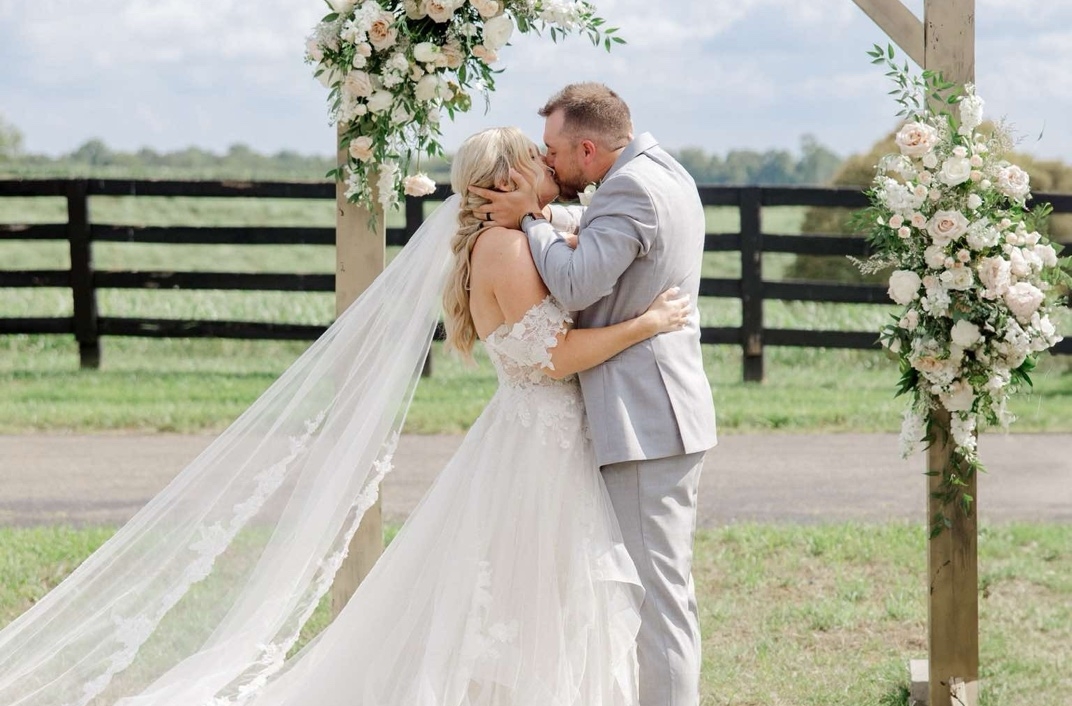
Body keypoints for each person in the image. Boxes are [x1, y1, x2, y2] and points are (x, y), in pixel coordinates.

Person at [0, 126, 692, 706]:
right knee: (530, 599)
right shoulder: (506, 248)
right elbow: (557, 357)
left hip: (542, 439)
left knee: (533, 599)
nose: (552, 166)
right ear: (507, 178)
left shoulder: (520, 234)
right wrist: (647, 323)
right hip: (541, 448)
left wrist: (540, 216)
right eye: (538, 159)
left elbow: (567, 248)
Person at [472, 83, 719, 706]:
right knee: (651, 593)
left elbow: (578, 284)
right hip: (657, 414)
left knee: (655, 603)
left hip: (644, 419)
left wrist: (529, 219)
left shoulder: (632, 189)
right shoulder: (661, 172)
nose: (548, 163)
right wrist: (549, 217)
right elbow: (605, 229)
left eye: (554, 151)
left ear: (587, 147)